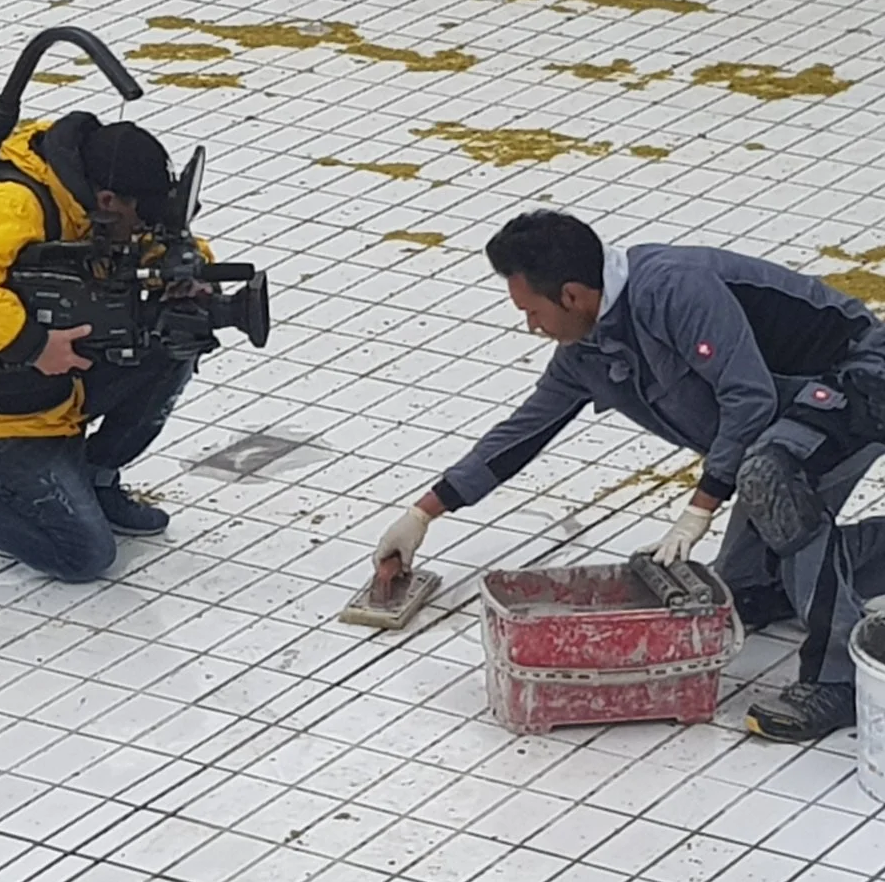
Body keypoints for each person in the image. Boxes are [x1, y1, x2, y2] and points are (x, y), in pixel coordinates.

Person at [375, 209, 885, 743]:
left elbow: (748, 398)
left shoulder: (672, 290)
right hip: (786, 420)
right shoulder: (587, 349)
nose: (531, 327)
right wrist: (424, 512)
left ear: (572, 295)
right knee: (743, 589)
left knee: (767, 475)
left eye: (532, 311)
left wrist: (699, 510)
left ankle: (838, 680)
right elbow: (523, 433)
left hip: (857, 378)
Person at [0, 113, 201, 582]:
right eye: (139, 218)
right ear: (109, 200)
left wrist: (185, 274)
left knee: (174, 342)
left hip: (56, 387)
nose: (141, 230)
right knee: (84, 556)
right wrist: (34, 344)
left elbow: (148, 244)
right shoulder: (15, 204)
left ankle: (96, 479)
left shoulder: (93, 203)